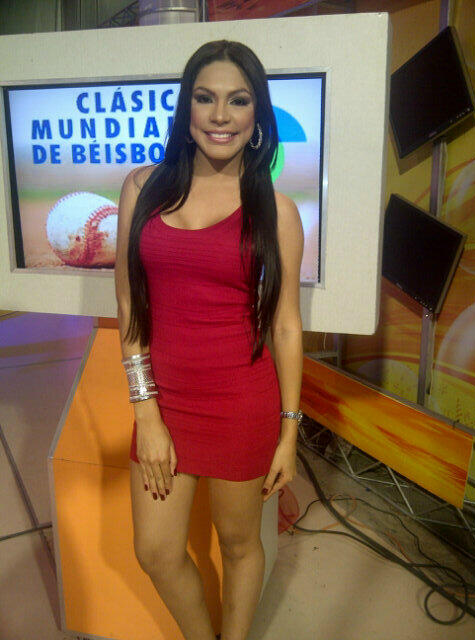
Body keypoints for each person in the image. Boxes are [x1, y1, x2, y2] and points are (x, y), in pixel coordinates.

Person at [114, 39, 304, 640]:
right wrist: (146, 411)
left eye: (238, 100)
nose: (220, 115)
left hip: (242, 401)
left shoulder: (277, 210)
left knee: (240, 543)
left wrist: (289, 432)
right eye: (206, 98)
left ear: (257, 115)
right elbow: (129, 306)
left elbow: (285, 324)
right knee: (156, 551)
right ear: (187, 108)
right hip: (164, 397)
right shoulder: (141, 187)